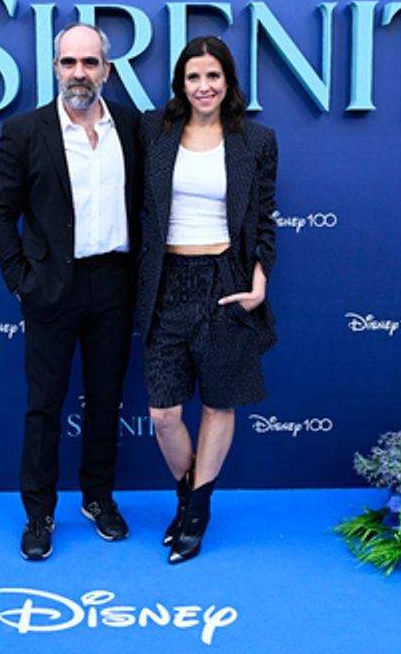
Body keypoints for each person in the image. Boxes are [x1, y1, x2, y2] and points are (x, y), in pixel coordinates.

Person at [0, 23, 140, 561]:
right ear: (55, 68)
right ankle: (39, 514)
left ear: (107, 70)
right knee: (44, 407)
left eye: (90, 63)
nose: (80, 72)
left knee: (105, 402)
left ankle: (98, 499)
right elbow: (2, 215)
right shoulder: (24, 131)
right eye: (69, 62)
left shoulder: (131, 125)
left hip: (114, 284)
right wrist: (19, 280)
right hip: (51, 288)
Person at [137, 35, 278, 564]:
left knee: (219, 403)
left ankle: (196, 511)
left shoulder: (256, 141)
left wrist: (260, 281)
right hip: (164, 283)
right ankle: (186, 492)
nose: (204, 86)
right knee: (164, 414)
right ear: (181, 83)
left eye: (213, 76)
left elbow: (265, 219)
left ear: (228, 82)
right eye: (194, 77)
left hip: (226, 280)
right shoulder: (154, 131)